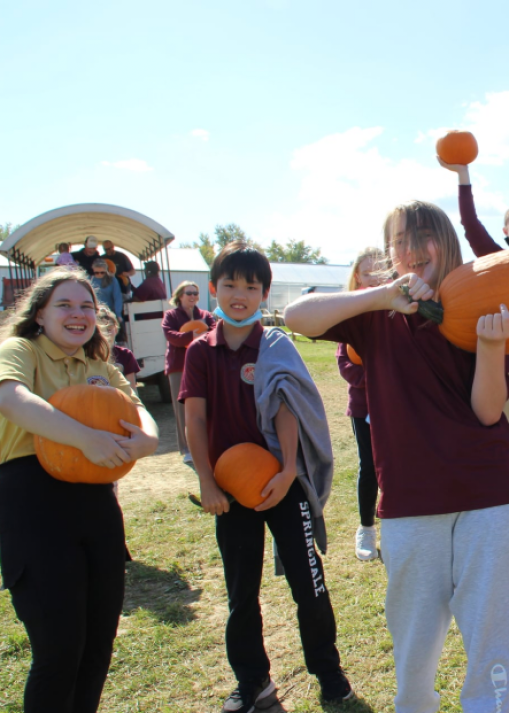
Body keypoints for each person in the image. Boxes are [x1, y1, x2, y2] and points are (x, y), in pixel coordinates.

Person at [285, 201, 509, 713]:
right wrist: (381, 295)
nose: (413, 250)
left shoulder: (481, 304)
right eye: (400, 240)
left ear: (447, 241)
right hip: (410, 504)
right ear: (389, 251)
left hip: (491, 498)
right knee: (415, 643)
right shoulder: (376, 316)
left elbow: (488, 413)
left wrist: (491, 345)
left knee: (491, 635)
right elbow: (295, 317)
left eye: (424, 237)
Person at [180, 241, 353, 712]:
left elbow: (286, 409)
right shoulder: (200, 352)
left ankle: (328, 671)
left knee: (309, 585)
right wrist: (207, 483)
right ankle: (253, 680)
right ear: (213, 290)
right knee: (242, 595)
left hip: (281, 484)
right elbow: (194, 420)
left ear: (264, 294)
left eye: (251, 286)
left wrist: (289, 469)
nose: (240, 294)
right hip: (229, 491)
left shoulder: (275, 346)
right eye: (230, 285)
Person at [0, 267, 159, 712]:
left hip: (96, 505)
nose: (78, 314)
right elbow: (10, 397)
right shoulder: (21, 350)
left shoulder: (101, 368)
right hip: (32, 503)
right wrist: (84, 437)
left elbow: (140, 412)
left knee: (97, 645)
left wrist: (145, 440)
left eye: (87, 306)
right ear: (40, 314)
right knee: (58, 652)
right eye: (64, 305)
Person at [441, 158, 509, 493]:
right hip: (508, 361)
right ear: (505, 231)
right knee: (499, 431)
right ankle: (492, 496)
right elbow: (470, 224)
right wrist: (463, 176)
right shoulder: (494, 258)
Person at [334, 247, 383, 561]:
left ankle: (393, 524)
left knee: (396, 468)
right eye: (368, 273)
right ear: (356, 277)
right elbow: (346, 365)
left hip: (396, 407)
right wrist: (379, 378)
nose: (375, 278)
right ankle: (366, 528)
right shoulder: (348, 314)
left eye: (381, 272)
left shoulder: (397, 312)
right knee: (370, 468)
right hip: (365, 407)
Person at [161, 281, 215, 466]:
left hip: (202, 366)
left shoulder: (206, 315)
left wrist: (203, 334)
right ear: (180, 296)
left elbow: (215, 333)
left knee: (205, 405)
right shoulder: (170, 315)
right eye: (189, 293)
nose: (193, 296)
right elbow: (170, 335)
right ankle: (186, 449)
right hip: (178, 366)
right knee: (181, 409)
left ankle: (206, 444)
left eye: (195, 293)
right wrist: (193, 335)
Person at [97, 306, 139, 387]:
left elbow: (132, 388)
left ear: (116, 330)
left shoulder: (126, 355)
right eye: (102, 330)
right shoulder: (89, 355)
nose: (106, 334)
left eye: (109, 329)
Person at [90, 259, 124, 332]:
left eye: (102, 273)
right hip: (94, 315)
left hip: (109, 315)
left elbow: (117, 297)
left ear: (106, 271)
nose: (99, 275)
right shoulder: (89, 280)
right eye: (96, 273)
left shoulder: (112, 280)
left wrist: (118, 314)